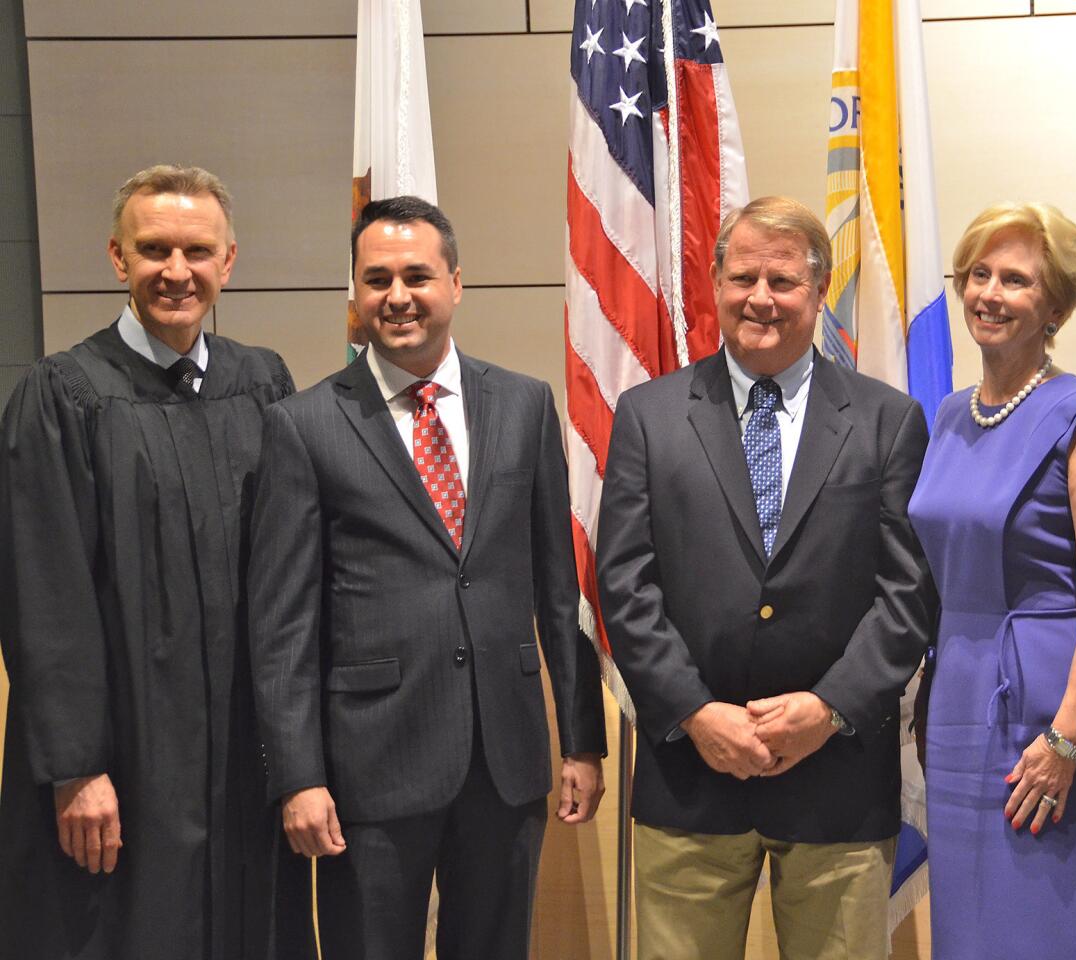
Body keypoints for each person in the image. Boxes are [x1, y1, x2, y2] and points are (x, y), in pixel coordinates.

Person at [248, 195, 607, 960]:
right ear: (354, 291)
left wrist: (581, 742)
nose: (398, 296)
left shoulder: (522, 404)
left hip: (504, 759)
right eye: (376, 279)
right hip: (369, 766)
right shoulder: (304, 425)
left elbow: (556, 586)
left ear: (456, 283)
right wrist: (298, 776)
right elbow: (283, 623)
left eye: (417, 275)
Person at [597, 196, 933, 960]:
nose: (760, 298)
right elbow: (624, 581)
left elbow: (908, 590)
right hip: (690, 774)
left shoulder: (888, 421)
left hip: (837, 777)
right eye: (743, 276)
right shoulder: (647, 416)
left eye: (782, 281)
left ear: (818, 293)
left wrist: (827, 707)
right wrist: (694, 711)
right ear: (713, 283)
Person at [0, 165, 311, 959]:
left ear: (229, 262)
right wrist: (75, 767)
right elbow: (44, 595)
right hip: (128, 751)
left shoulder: (263, 382)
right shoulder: (64, 395)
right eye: (155, 250)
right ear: (117, 258)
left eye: (197, 251)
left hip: (244, 747)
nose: (177, 271)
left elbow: (293, 573)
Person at [908, 202, 1076, 959]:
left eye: (1015, 279)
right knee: (966, 927)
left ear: (1055, 306)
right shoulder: (947, 415)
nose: (990, 293)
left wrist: (1067, 738)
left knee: (1042, 926)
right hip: (955, 699)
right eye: (979, 273)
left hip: (1043, 712)